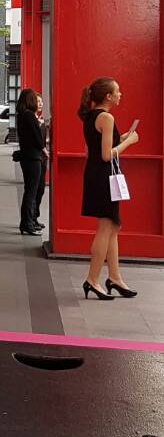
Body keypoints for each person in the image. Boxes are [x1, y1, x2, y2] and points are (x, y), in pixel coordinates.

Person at [79, 77, 139, 300]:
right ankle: (92, 280)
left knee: (113, 226)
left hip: (95, 175)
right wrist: (128, 142)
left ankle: (114, 277)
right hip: (105, 177)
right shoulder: (106, 117)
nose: (120, 94)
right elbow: (106, 155)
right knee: (106, 228)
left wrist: (121, 138)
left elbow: (91, 150)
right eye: (118, 91)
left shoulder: (91, 116)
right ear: (108, 96)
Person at [15, 89, 47, 235]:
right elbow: (38, 139)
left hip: (26, 156)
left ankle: (27, 222)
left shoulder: (22, 115)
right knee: (31, 192)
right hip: (33, 157)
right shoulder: (29, 116)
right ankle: (27, 223)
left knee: (30, 190)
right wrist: (45, 150)